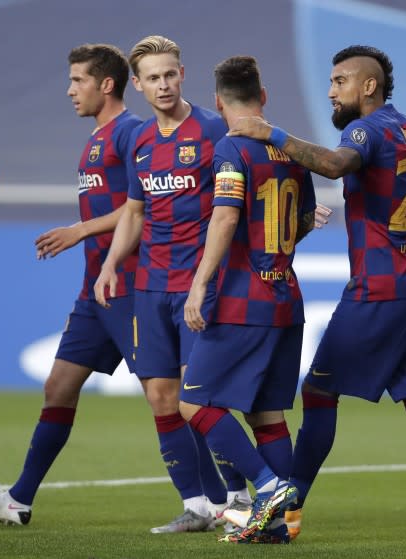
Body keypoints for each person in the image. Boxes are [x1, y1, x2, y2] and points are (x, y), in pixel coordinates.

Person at [228, 45, 406, 544]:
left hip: (379, 287)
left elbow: (337, 164)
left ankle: (288, 509)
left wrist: (269, 133)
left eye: (340, 81)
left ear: (368, 87)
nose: (330, 90)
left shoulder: (364, 129)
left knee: (319, 392)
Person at [0, 44, 143, 526]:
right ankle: (19, 500)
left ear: (106, 84)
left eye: (78, 80)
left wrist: (78, 230)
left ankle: (224, 496)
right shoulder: (95, 139)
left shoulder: (132, 134)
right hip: (95, 291)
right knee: (58, 386)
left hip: (135, 285)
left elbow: (145, 206)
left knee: (174, 400)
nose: (69, 90)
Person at [94, 35, 249, 533]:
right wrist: (112, 263)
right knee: (161, 397)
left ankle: (242, 496)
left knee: (201, 398)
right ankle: (198, 506)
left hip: (200, 283)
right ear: (137, 85)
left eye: (170, 74)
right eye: (152, 78)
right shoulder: (139, 141)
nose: (163, 85)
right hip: (150, 286)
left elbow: (242, 188)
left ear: (183, 74)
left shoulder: (211, 129)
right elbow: (135, 212)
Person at [179, 55, 317, 545]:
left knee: (194, 403)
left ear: (217, 102)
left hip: (243, 300)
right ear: (264, 96)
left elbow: (224, 218)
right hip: (286, 295)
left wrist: (199, 284)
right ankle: (277, 528)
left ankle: (269, 486)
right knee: (266, 414)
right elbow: (302, 222)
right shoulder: (291, 152)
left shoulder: (231, 149)